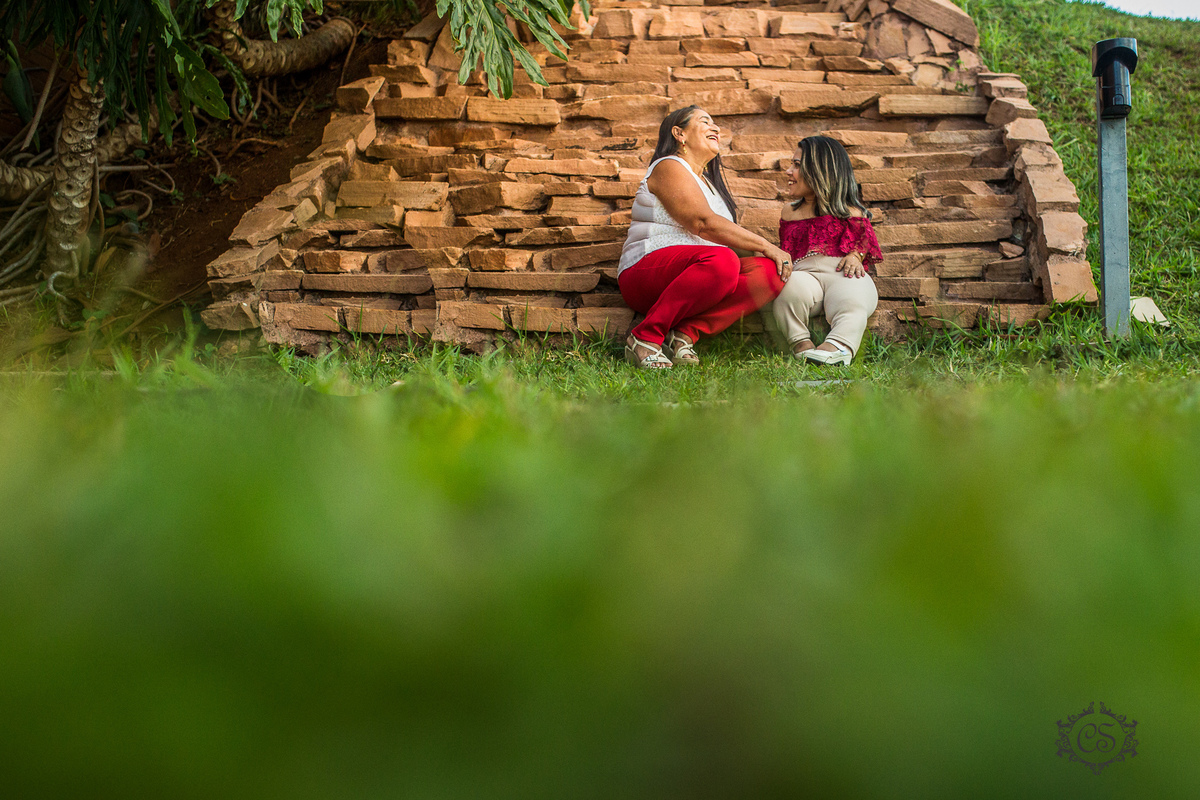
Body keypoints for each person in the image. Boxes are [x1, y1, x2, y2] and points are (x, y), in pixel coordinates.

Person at [618, 106, 794, 369]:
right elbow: (703, 223)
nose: (716, 128)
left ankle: (684, 335)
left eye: (715, 124)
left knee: (769, 272)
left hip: (702, 274)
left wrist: (773, 257)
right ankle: (644, 338)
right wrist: (767, 245)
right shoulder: (669, 166)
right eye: (705, 122)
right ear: (680, 134)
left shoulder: (710, 185)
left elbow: (725, 239)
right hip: (646, 273)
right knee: (724, 261)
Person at [773, 135, 882, 366]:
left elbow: (865, 241)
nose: (788, 172)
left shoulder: (851, 211)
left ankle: (838, 346)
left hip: (841, 273)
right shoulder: (789, 212)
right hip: (805, 275)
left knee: (853, 298)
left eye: (797, 165)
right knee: (787, 290)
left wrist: (855, 255)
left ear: (820, 171)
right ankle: (801, 344)